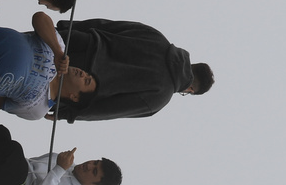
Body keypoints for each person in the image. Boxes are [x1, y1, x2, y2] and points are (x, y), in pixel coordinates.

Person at [52, 18, 214, 122]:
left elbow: (108, 25)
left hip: (72, 41)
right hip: (71, 87)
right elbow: (109, 109)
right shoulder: (159, 97)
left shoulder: (157, 37)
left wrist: (67, 28)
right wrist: (68, 113)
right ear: (191, 89)